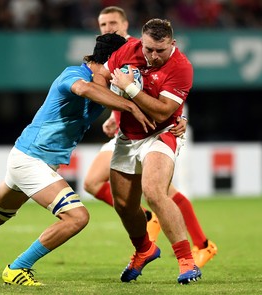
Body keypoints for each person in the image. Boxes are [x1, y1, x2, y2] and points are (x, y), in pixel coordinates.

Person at [0, 32, 155, 286]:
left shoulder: (106, 86)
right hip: (31, 160)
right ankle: (18, 267)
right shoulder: (74, 75)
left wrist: (176, 120)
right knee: (77, 217)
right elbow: (84, 90)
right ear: (111, 60)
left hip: (29, 159)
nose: (126, 70)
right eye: (122, 64)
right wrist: (129, 105)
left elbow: (134, 100)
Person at [85, 6, 217, 265]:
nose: (108, 28)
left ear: (125, 25)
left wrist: (179, 117)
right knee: (97, 184)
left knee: (157, 190)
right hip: (126, 131)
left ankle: (196, 244)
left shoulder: (142, 48)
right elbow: (102, 82)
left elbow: (159, 100)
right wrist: (115, 112)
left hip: (153, 130)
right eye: (103, 24)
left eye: (113, 22)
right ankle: (151, 222)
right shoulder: (110, 50)